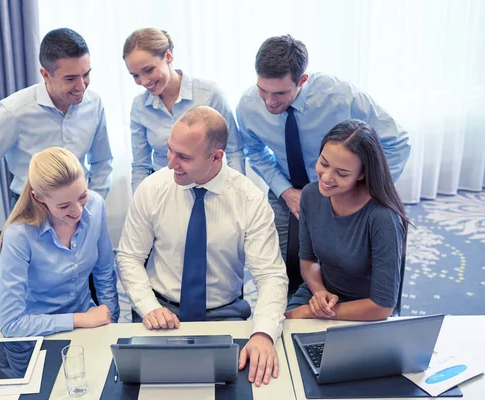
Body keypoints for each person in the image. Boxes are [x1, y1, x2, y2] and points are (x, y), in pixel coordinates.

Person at [116, 106, 288, 387]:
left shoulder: (249, 200)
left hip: (224, 316)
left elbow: (270, 275)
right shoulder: (152, 189)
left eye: (183, 157)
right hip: (159, 312)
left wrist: (263, 334)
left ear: (216, 157)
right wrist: (148, 307)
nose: (171, 163)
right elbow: (129, 257)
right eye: (170, 150)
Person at [236, 34, 410, 295]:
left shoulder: (341, 96)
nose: (270, 101)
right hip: (288, 186)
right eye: (263, 90)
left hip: (343, 188)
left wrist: (363, 192)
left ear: (302, 80)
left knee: (354, 267)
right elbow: (254, 149)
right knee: (277, 266)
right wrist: (285, 191)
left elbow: (397, 143)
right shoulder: (248, 105)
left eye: (280, 93)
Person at [0, 28, 113, 261]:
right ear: (45, 74)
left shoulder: (94, 102)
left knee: (87, 278)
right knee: (33, 289)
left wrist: (89, 206)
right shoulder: (14, 112)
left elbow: (102, 161)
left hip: (80, 207)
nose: (81, 86)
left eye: (86, 74)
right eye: (70, 78)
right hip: (32, 212)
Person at [285, 119, 408, 321]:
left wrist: (313, 313)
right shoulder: (311, 195)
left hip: (364, 309)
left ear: (362, 174)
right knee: (279, 338)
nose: (326, 177)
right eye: (323, 163)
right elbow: (308, 260)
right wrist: (319, 293)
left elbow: (382, 306)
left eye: (342, 173)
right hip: (321, 293)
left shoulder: (383, 218)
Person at [0, 147, 119, 337]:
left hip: (89, 328)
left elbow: (104, 274)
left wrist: (111, 323)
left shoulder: (96, 206)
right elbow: (11, 324)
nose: (78, 211)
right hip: (37, 334)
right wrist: (79, 319)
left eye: (82, 196)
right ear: (39, 198)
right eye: (64, 206)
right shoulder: (19, 236)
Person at [123, 28, 245, 193]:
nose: (143, 81)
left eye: (148, 70)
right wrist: (137, 206)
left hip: (213, 188)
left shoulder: (209, 94)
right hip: (166, 192)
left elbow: (234, 150)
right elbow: (141, 165)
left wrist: (236, 194)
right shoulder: (139, 106)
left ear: (168, 56)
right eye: (135, 75)